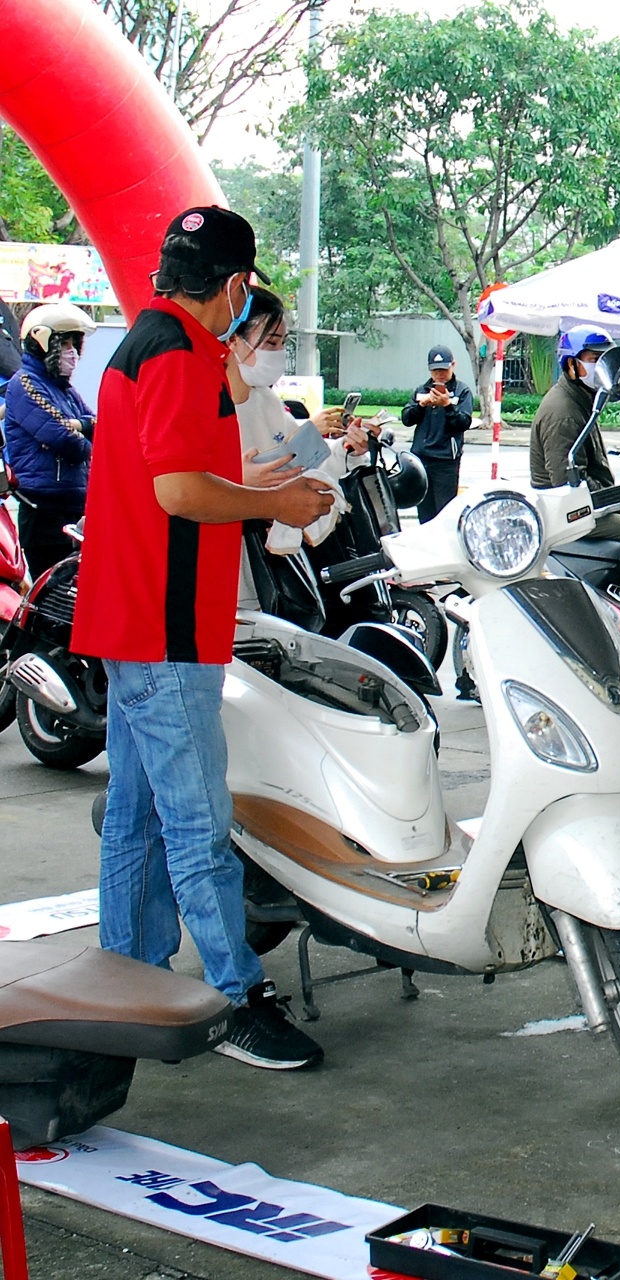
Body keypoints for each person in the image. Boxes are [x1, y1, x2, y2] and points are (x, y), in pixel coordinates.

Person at [71, 205, 334, 1070]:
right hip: (166, 619)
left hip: (128, 610)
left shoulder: (142, 342)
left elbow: (170, 472)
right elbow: (180, 493)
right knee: (195, 821)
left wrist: (256, 477)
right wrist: (278, 503)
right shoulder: (183, 354)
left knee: (139, 817)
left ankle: (128, 975)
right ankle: (233, 996)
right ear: (231, 287)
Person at [226, 286, 367, 612]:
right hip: (222, 565)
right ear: (233, 340)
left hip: (262, 567)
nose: (276, 354)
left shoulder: (267, 401)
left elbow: (309, 462)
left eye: (282, 344)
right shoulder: (209, 404)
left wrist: (348, 447)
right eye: (269, 343)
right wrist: (307, 435)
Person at [530, 327, 620, 593]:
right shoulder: (564, 412)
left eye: (605, 359)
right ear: (571, 364)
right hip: (573, 513)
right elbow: (566, 481)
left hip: (587, 507)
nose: (601, 367)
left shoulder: (582, 399)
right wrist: (610, 500)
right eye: (594, 359)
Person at [3, 302, 97, 575]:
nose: (71, 352)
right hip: (43, 508)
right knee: (51, 595)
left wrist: (79, 424)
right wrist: (87, 442)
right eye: (63, 344)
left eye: (73, 344)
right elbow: (64, 440)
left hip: (73, 505)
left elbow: (97, 423)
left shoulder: (64, 390)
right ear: (42, 343)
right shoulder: (25, 384)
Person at [402, 344, 474, 523]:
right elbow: (406, 419)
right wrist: (422, 405)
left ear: (453, 366)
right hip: (422, 459)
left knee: (445, 514)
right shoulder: (422, 390)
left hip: (445, 462)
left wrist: (448, 405)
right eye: (435, 371)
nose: (439, 375)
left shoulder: (461, 391)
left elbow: (464, 422)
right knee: (424, 514)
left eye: (443, 370)